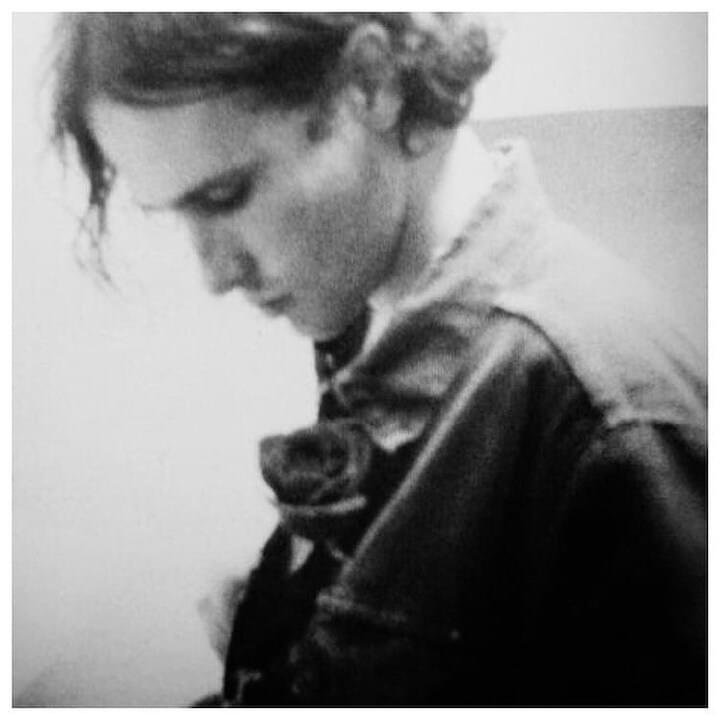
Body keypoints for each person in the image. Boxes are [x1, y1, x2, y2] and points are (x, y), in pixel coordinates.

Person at [51, 12, 707, 706]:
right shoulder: (371, 319)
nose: (214, 274)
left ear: (369, 84)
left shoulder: (600, 413)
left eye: (225, 195)